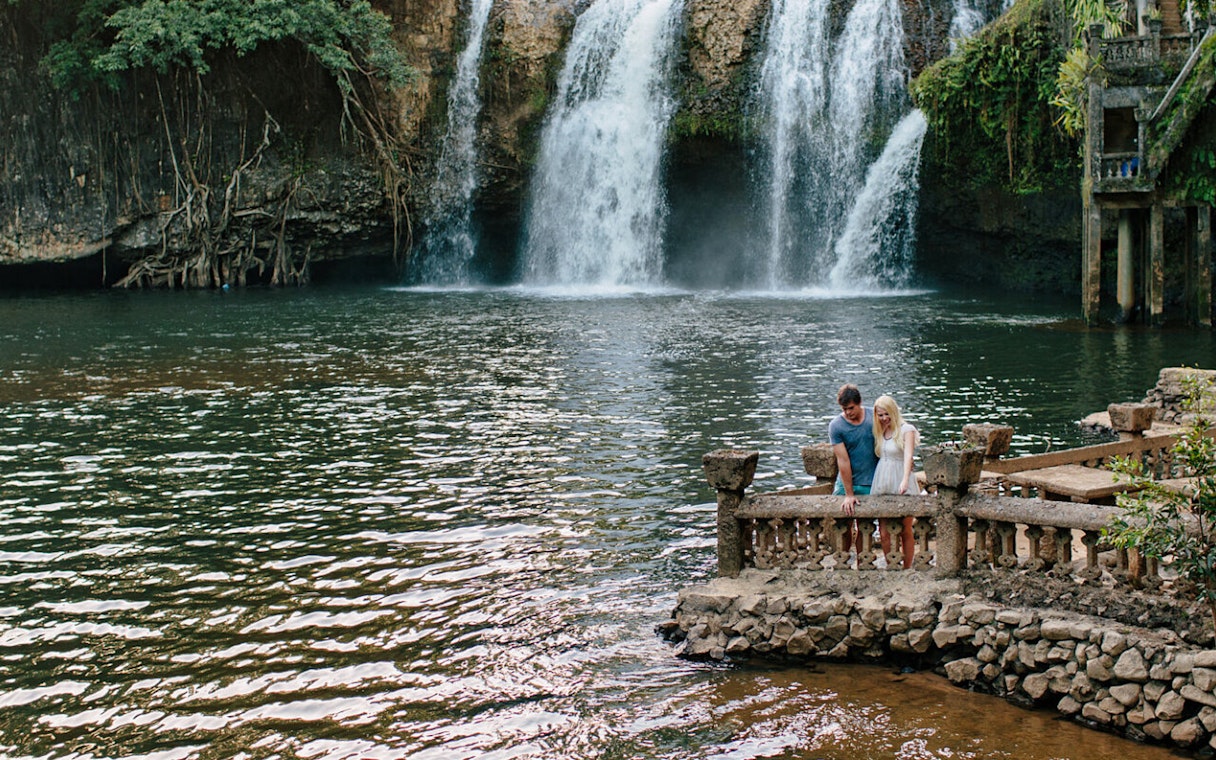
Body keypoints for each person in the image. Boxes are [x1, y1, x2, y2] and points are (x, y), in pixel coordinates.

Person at [870, 394, 920, 568]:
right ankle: (892, 564)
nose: (884, 418)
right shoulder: (879, 430)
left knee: (904, 528)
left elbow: (908, 456)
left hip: (900, 476)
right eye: (880, 415)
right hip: (882, 479)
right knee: (884, 531)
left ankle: (907, 566)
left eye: (887, 414)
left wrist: (905, 479)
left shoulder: (907, 430)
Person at [829, 384, 877, 518]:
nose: (848, 412)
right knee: (841, 523)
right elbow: (843, 460)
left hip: (870, 480)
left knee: (865, 526)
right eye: (845, 409)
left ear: (859, 403)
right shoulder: (836, 426)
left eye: (851, 408)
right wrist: (849, 494)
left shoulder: (874, 417)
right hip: (846, 481)